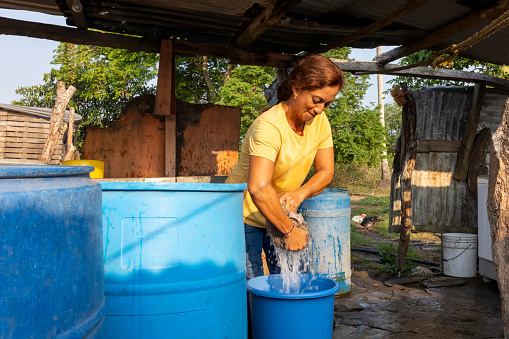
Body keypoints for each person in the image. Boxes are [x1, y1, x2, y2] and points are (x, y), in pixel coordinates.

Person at [226, 54, 345, 279]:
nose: (320, 109)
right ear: (297, 89)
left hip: (280, 212)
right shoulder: (269, 127)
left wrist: (299, 194)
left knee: (293, 280)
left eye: (327, 103)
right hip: (243, 215)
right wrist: (290, 230)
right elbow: (259, 188)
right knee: (252, 285)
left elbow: (326, 172)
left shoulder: (319, 121)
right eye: (317, 100)